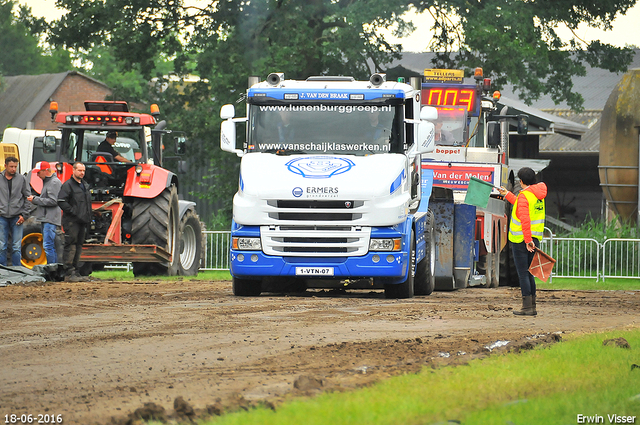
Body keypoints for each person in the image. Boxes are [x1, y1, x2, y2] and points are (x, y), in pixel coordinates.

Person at [498, 167, 547, 316]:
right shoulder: (537, 194)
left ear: (522, 181)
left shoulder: (525, 196)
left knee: (523, 274)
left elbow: (525, 219)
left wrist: (527, 240)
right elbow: (520, 205)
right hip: (534, 238)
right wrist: (507, 194)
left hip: (522, 240)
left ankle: (527, 308)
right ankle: (532, 306)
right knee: (530, 273)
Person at [58, 162, 92, 281]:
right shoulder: (68, 185)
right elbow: (61, 201)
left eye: (83, 171)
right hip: (72, 221)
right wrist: (73, 212)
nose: (82, 173)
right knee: (71, 244)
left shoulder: (85, 186)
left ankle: (75, 271)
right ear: (73, 170)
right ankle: (68, 272)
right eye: (79, 170)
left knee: (78, 245)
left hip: (83, 220)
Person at [27, 161, 63, 264]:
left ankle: (51, 269)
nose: (37, 175)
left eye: (39, 172)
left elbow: (54, 201)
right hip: (46, 218)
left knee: (48, 246)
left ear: (46, 171)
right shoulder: (49, 182)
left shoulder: (54, 183)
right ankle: (54, 269)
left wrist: (35, 199)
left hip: (50, 219)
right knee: (48, 245)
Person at [0, 156, 31, 266]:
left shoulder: (22, 179)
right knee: (1, 245)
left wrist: (24, 215)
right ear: (5, 166)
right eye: (11, 166)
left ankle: (17, 270)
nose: (13, 169)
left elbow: (28, 197)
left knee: (16, 247)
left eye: (15, 167)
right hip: (2, 216)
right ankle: (2, 270)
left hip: (17, 217)